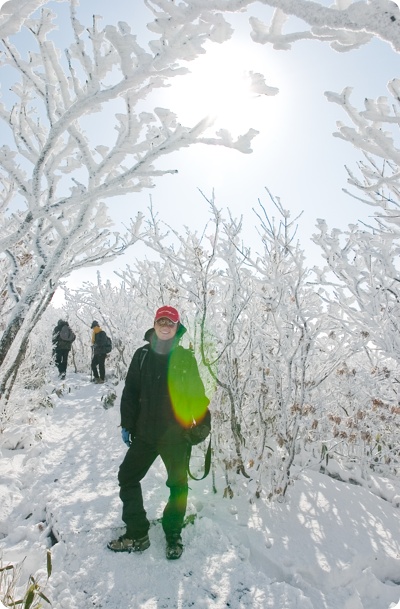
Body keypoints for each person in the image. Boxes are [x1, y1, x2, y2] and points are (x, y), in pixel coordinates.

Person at [108, 305, 211, 560]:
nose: (165, 326)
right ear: (154, 324)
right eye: (161, 322)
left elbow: (197, 396)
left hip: (176, 437)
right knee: (127, 477)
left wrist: (203, 424)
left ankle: (173, 534)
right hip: (145, 434)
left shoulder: (186, 359)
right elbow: (130, 392)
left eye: (170, 323)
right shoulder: (141, 355)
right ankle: (137, 533)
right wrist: (127, 424)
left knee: (178, 486)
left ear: (177, 328)